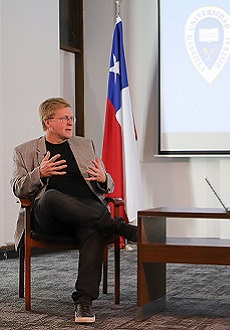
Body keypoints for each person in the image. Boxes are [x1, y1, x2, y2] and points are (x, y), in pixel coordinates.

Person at [10, 97, 138, 324]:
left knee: (92, 228)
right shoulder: (24, 151)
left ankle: (84, 302)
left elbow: (107, 185)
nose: (70, 123)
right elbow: (18, 188)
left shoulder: (84, 145)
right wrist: (40, 173)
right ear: (48, 122)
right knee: (50, 196)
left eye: (72, 118)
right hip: (49, 216)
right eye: (64, 118)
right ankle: (117, 226)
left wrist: (104, 179)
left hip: (87, 214)